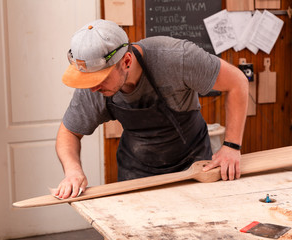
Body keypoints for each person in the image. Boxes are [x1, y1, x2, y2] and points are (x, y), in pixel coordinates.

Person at [54, 19, 248, 199]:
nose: (93, 88)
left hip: (194, 165)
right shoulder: (93, 87)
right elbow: (68, 132)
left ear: (127, 61)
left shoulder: (176, 58)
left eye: (100, 79)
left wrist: (231, 147)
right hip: (137, 171)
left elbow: (237, 82)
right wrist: (73, 171)